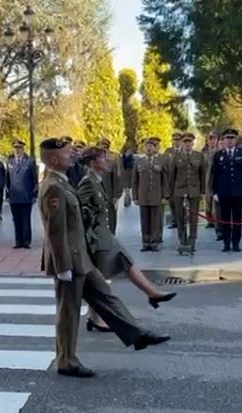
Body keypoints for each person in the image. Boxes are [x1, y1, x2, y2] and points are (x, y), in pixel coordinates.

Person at [38, 137, 170, 378]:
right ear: (55, 159)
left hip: (81, 259)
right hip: (69, 261)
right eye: (68, 154)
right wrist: (62, 266)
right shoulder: (53, 186)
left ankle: (137, 334)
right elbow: (54, 231)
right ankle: (66, 361)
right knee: (68, 312)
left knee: (105, 296)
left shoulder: (64, 182)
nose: (72, 156)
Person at [76, 147, 176, 332]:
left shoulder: (97, 181)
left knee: (124, 264)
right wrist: (88, 237)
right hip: (97, 239)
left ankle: (150, 293)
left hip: (105, 236)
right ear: (92, 163)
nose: (106, 161)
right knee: (101, 279)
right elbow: (79, 212)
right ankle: (98, 317)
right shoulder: (87, 183)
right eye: (102, 159)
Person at [210, 128, 242, 253]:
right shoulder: (218, 155)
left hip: (238, 191)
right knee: (225, 219)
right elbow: (215, 175)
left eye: (232, 138)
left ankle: (236, 242)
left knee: (237, 219)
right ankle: (226, 243)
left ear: (236, 140)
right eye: (227, 138)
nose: (229, 140)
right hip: (224, 192)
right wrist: (215, 192)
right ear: (223, 140)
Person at [167, 132, 206, 254]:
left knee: (193, 218)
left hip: (194, 190)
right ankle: (182, 241)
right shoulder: (176, 157)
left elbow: (202, 175)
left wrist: (202, 192)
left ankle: (192, 241)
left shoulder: (199, 156)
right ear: (182, 143)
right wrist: (171, 192)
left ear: (193, 143)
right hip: (179, 190)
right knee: (180, 217)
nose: (187, 144)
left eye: (189, 142)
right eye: (185, 142)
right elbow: (171, 176)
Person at [132, 137, 169, 251]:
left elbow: (165, 180)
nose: (148, 149)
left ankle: (153, 243)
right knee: (144, 220)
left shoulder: (160, 161)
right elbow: (135, 181)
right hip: (143, 196)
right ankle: (145, 242)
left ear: (154, 148)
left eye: (151, 146)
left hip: (156, 195)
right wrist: (135, 196)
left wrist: (164, 195)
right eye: (146, 146)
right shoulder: (139, 162)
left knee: (155, 220)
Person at [6, 139, 38, 249]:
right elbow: (7, 179)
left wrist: (34, 194)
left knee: (25, 218)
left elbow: (34, 179)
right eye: (15, 148)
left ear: (23, 149)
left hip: (26, 194)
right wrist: (7, 193)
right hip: (14, 195)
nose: (17, 150)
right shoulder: (10, 161)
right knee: (16, 219)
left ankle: (26, 241)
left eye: (19, 148)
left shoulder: (29, 161)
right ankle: (18, 241)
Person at [97, 138, 123, 234]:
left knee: (111, 216)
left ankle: (111, 234)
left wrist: (116, 195)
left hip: (109, 194)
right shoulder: (91, 164)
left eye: (105, 148)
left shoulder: (111, 163)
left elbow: (116, 179)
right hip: (96, 195)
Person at [202, 132, 219, 229]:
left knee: (216, 203)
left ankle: (217, 222)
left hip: (216, 180)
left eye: (214, 139)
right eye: (210, 139)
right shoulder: (204, 153)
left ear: (217, 140)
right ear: (207, 141)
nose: (212, 141)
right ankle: (209, 221)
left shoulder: (220, 152)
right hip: (206, 180)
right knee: (207, 202)